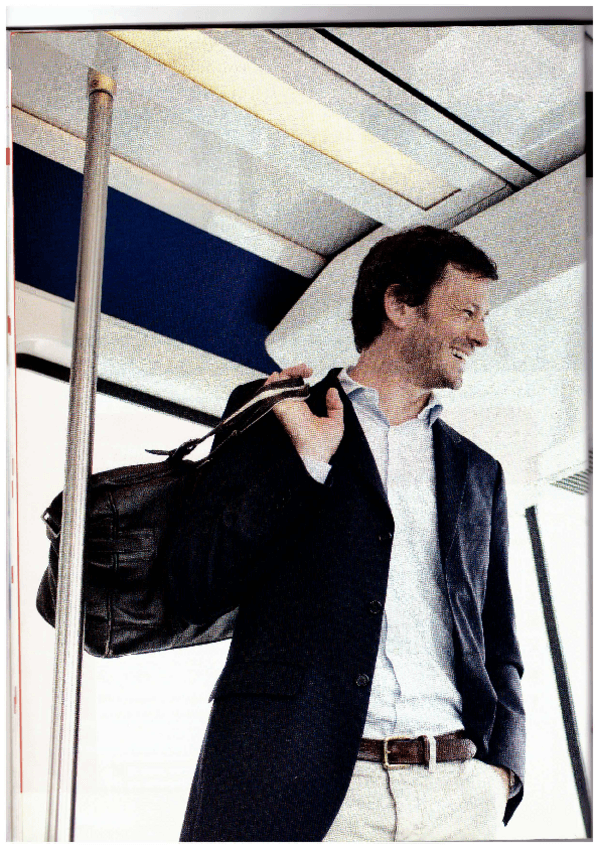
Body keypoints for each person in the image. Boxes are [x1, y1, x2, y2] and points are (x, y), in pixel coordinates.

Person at [167, 225, 525, 841]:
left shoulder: (478, 472)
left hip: (457, 794)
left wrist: (505, 772)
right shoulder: (277, 413)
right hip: (297, 786)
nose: (481, 336)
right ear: (400, 306)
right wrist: (305, 467)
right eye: (467, 312)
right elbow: (197, 585)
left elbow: (499, 634)